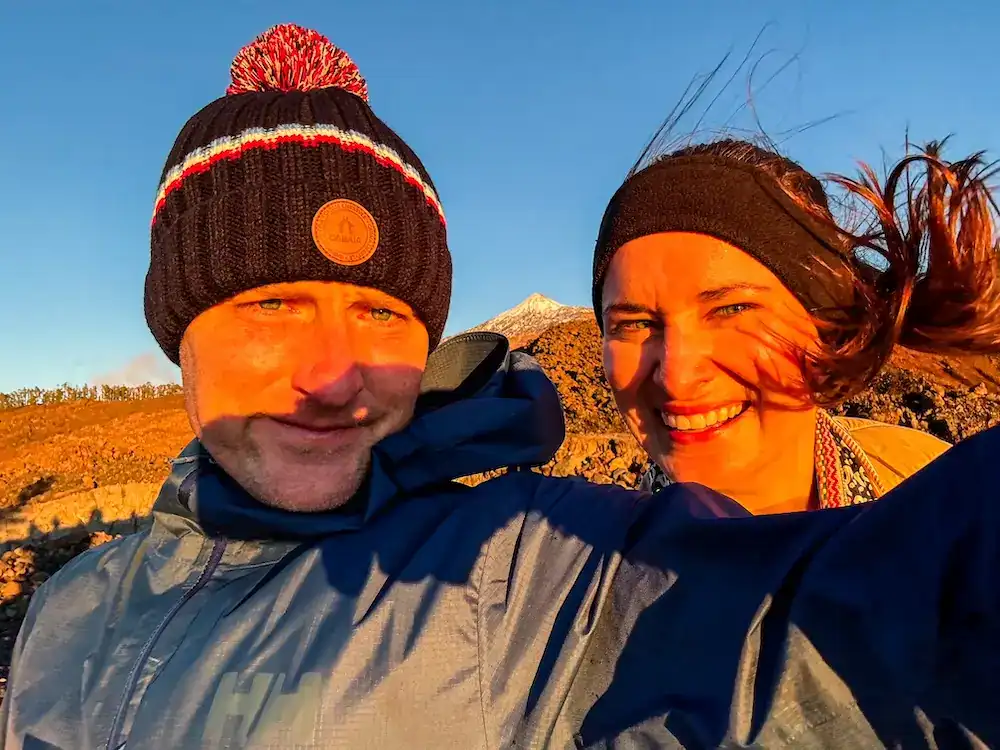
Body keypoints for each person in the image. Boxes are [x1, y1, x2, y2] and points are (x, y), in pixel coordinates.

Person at [2, 23, 1000, 750]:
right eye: (270, 305)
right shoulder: (66, 617)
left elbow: (873, 625)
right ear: (178, 326)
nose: (330, 374)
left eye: (384, 313)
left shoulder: (516, 569)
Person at [593, 135, 1000, 514]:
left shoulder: (937, 501)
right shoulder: (580, 560)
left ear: (822, 323)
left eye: (731, 310)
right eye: (635, 324)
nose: (677, 378)